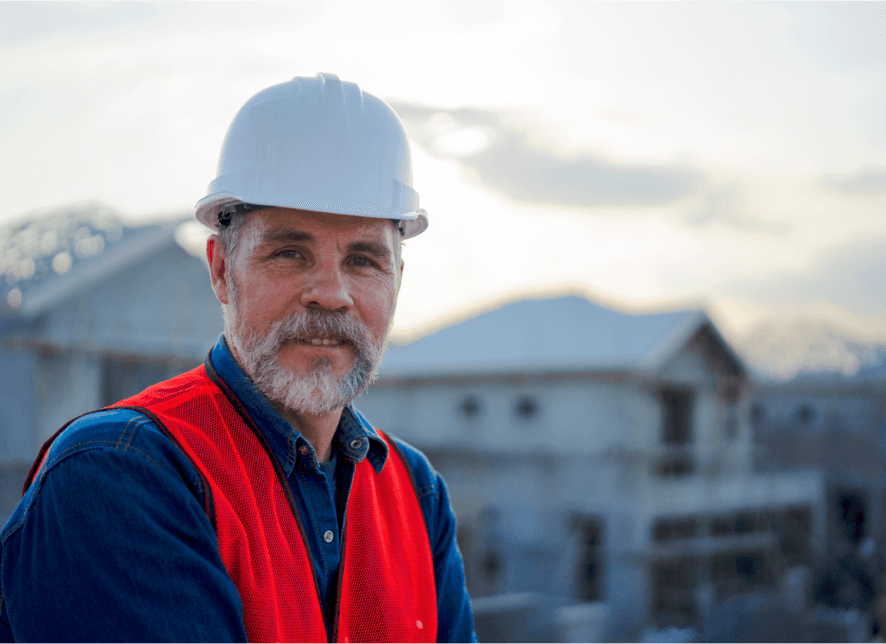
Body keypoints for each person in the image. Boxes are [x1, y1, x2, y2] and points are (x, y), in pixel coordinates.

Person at [0, 73, 476, 643]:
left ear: (396, 281)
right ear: (222, 270)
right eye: (290, 252)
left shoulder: (417, 496)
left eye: (364, 260)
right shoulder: (120, 475)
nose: (331, 292)